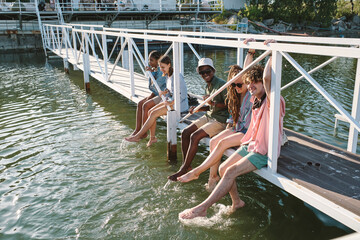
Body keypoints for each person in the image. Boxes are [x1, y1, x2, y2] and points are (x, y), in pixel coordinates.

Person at [179, 39, 286, 219]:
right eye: (249, 84)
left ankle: (202, 208)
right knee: (222, 169)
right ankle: (237, 202)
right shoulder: (254, 99)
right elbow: (246, 74)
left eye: (255, 84)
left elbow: (267, 78)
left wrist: (271, 52)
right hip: (250, 144)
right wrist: (251, 52)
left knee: (229, 172)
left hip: (263, 151)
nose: (250, 87)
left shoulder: (272, 101)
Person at [177, 55, 255, 191]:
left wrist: (250, 53)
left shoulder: (250, 94)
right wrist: (200, 108)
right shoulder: (235, 94)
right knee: (207, 140)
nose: (236, 87)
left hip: (242, 129)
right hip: (235, 126)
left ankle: (195, 171)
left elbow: (249, 72)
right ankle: (211, 176)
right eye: (233, 84)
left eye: (239, 84)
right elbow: (231, 111)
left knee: (212, 141)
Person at [168, 58, 228, 181]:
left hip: (220, 120)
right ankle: (187, 165)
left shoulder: (222, 85)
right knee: (185, 133)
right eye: (202, 73)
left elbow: (230, 105)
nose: (205, 74)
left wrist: (213, 103)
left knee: (195, 136)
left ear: (213, 70)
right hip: (209, 116)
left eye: (207, 71)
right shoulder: (208, 85)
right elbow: (210, 106)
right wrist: (198, 109)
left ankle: (184, 169)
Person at [125, 55, 189, 147]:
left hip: (179, 105)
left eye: (163, 67)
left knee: (154, 113)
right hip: (170, 102)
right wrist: (165, 92)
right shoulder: (168, 75)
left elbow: (182, 95)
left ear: (169, 65)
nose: (161, 69)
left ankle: (138, 136)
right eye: (160, 67)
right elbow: (170, 90)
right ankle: (152, 138)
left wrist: (172, 102)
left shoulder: (177, 76)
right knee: (150, 111)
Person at [129, 50, 166, 139]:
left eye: (151, 60)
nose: (149, 63)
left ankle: (143, 132)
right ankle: (137, 129)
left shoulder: (161, 72)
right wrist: (152, 72)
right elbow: (154, 88)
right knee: (140, 103)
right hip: (157, 94)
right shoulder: (155, 70)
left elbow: (155, 86)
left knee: (145, 105)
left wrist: (151, 73)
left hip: (163, 96)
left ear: (158, 61)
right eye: (149, 60)